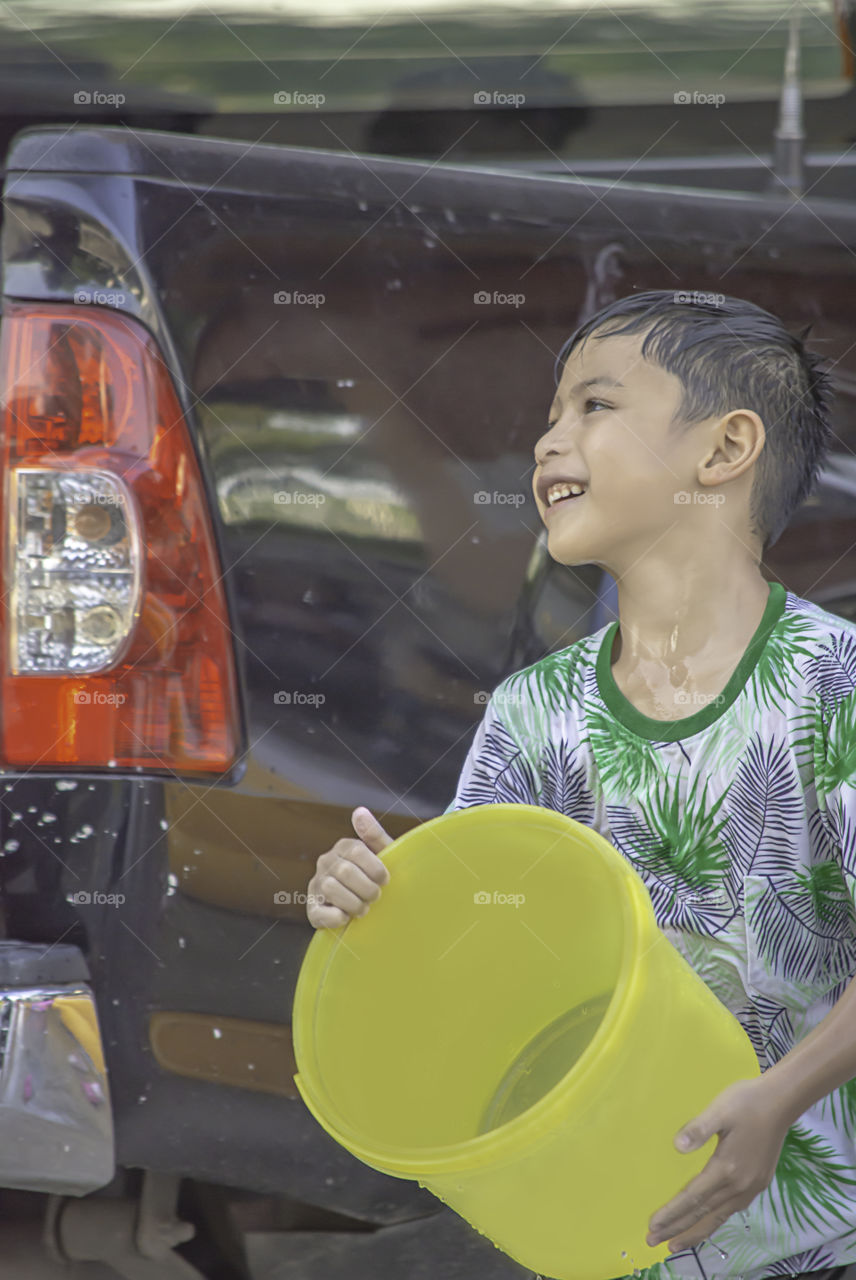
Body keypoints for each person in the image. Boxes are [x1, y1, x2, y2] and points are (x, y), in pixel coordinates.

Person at [307, 289, 856, 1280]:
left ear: (723, 449)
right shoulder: (533, 709)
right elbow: (485, 952)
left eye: (593, 407)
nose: (547, 442)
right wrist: (376, 903)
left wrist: (777, 1097)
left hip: (815, 1245)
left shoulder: (835, 686)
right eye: (550, 414)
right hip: (601, 1237)